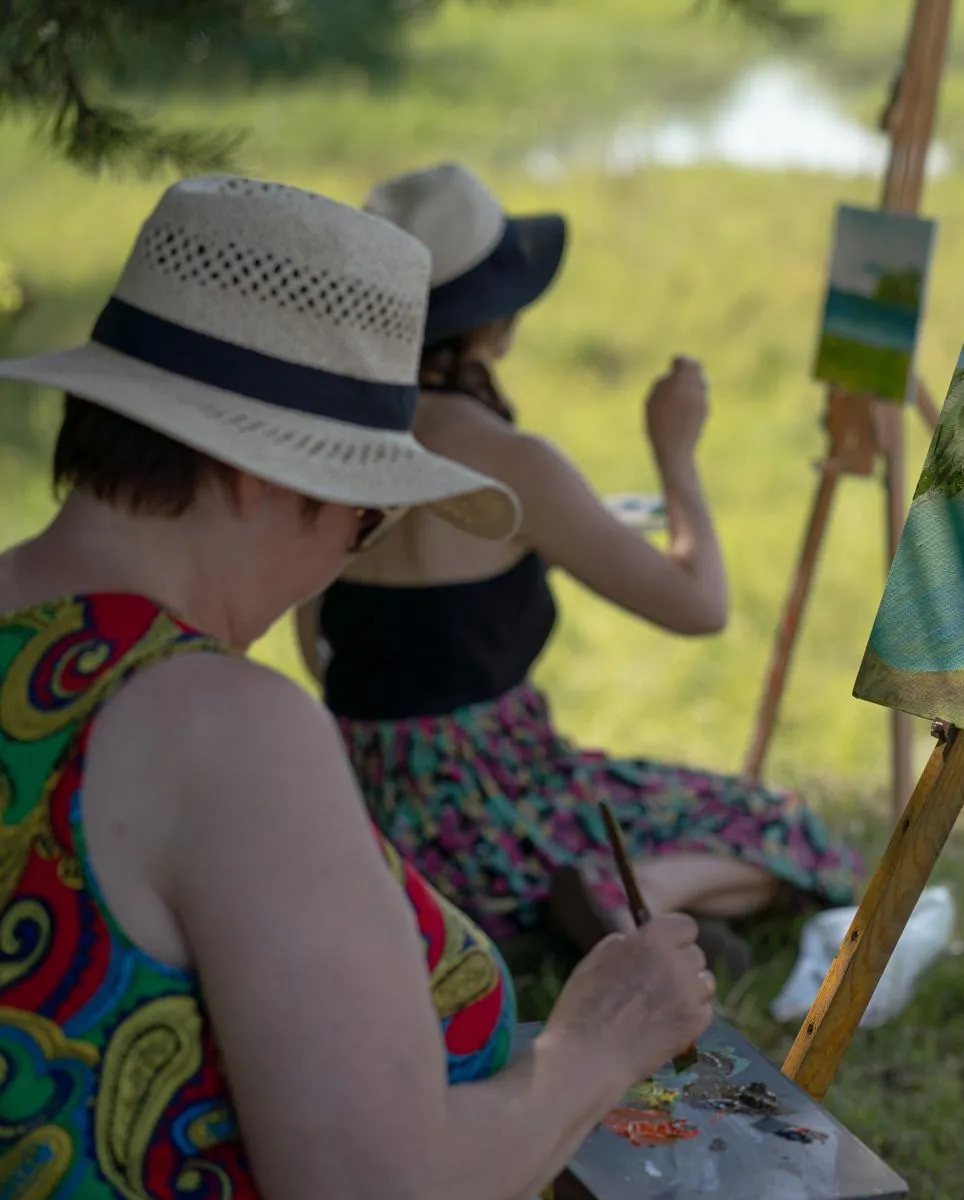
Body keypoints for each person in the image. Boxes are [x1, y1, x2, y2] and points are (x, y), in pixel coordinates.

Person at [0, 175, 713, 1198]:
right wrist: (593, 1048)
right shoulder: (224, 728)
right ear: (262, 475)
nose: (347, 555)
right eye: (363, 518)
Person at [293, 162, 862, 972]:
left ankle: (523, 925)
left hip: (375, 812)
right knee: (779, 827)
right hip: (501, 791)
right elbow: (698, 606)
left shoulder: (323, 440)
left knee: (684, 826)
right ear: (495, 320)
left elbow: (316, 647)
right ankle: (633, 893)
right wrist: (676, 454)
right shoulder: (513, 463)